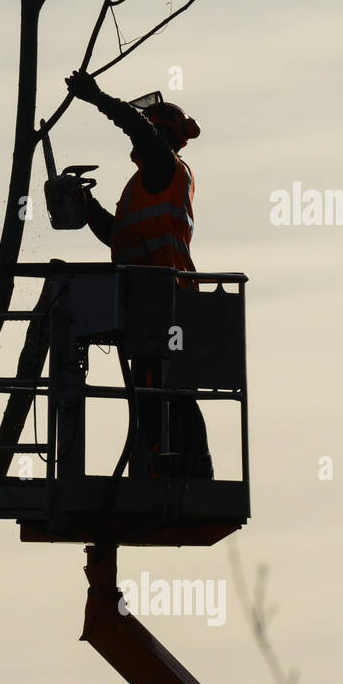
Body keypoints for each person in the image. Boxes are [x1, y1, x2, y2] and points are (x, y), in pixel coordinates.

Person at [64, 71, 212, 480]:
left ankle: (180, 470)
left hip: (167, 298)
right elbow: (118, 236)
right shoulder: (145, 182)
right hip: (148, 301)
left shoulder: (164, 165)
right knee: (153, 394)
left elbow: (135, 125)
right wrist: (87, 205)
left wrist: (95, 97)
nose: (135, 142)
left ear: (159, 134)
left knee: (169, 394)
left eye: (144, 134)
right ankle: (157, 465)